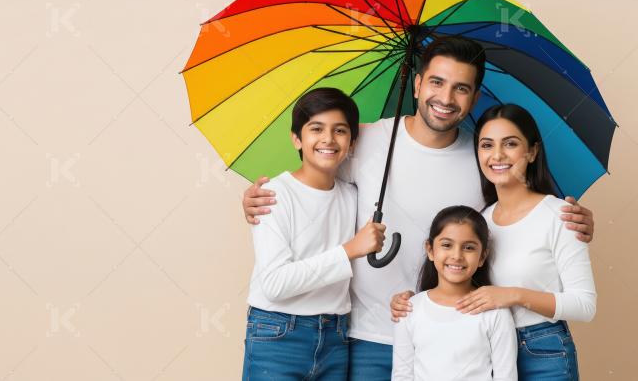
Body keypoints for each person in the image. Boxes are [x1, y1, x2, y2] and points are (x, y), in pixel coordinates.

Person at [241, 36, 596, 381]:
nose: (445, 97)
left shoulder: (484, 156)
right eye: (437, 82)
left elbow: (513, 217)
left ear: (473, 99)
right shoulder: (364, 139)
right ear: (417, 84)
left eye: (461, 88)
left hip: (448, 340)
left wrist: (571, 224)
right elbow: (315, 176)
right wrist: (258, 196)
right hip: (365, 337)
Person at [391, 104, 596, 380]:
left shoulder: (560, 216)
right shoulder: (482, 220)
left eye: (510, 144)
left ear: (532, 152)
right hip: (483, 348)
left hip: (542, 350)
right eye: (487, 145)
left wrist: (514, 295)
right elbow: (453, 275)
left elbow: (584, 306)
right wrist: (411, 302)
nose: (497, 155)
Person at [242, 87, 386, 380]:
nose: (328, 140)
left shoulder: (352, 195)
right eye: (316, 128)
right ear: (296, 138)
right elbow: (275, 284)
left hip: (335, 337)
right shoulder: (274, 196)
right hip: (278, 335)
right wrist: (348, 251)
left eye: (340, 131)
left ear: (353, 141)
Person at [391, 205, 517, 381]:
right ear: (430, 250)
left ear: (482, 257)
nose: (457, 255)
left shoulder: (495, 312)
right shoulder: (409, 309)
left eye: (469, 248)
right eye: (447, 245)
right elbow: (402, 375)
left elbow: (506, 376)